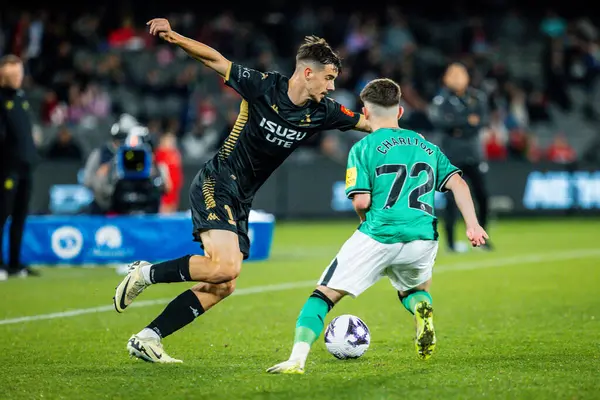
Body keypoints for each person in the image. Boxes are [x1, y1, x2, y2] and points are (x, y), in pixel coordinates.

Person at [113, 18, 371, 363]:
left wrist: (405, 136)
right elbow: (214, 59)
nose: (331, 86)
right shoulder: (263, 86)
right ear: (308, 73)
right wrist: (174, 37)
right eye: (329, 78)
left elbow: (368, 124)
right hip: (217, 181)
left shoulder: (323, 112)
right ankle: (145, 273)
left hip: (242, 198)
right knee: (225, 268)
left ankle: (148, 337)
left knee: (223, 284)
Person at [267, 78, 489, 374]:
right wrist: (472, 225)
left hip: (379, 234)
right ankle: (421, 310)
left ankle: (296, 359)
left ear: (365, 112)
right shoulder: (425, 145)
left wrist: (365, 227)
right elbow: (458, 183)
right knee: (413, 291)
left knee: (322, 296)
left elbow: (361, 202)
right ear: (399, 112)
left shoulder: (364, 148)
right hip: (422, 238)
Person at [428, 63, 492, 252]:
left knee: (482, 196)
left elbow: (483, 121)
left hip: (473, 153)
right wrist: (467, 122)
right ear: (446, 78)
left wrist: (457, 125)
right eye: (452, 74)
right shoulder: (441, 100)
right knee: (450, 200)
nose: (457, 78)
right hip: (450, 155)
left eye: (460, 74)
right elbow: (440, 122)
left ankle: (482, 238)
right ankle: (450, 242)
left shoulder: (477, 97)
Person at [0, 55, 39, 280]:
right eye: (12, 74)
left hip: (25, 167)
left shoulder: (21, 98)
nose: (17, 78)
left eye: (19, 73)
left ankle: (14, 264)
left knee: (20, 217)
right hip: (7, 168)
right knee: (2, 216)